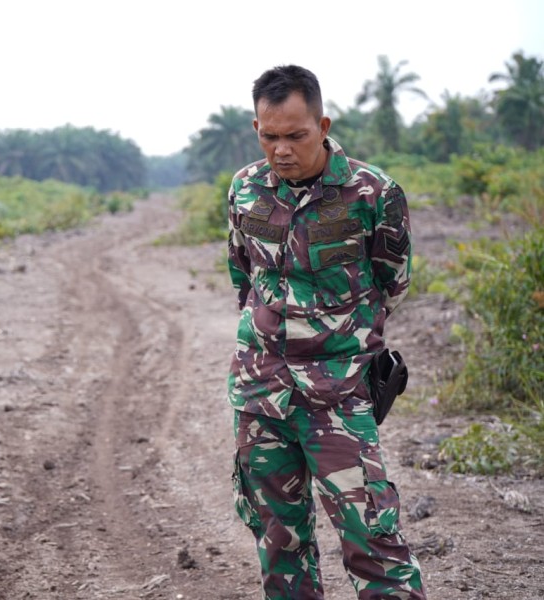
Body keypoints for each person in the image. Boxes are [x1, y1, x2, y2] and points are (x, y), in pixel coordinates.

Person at [227, 65, 426, 599]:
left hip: (337, 395)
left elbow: (393, 281)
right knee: (278, 543)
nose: (282, 149)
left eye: (296, 135)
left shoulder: (372, 192)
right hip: (261, 393)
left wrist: (337, 336)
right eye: (270, 136)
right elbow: (244, 276)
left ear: (323, 125)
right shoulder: (245, 189)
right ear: (256, 130)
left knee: (373, 541)